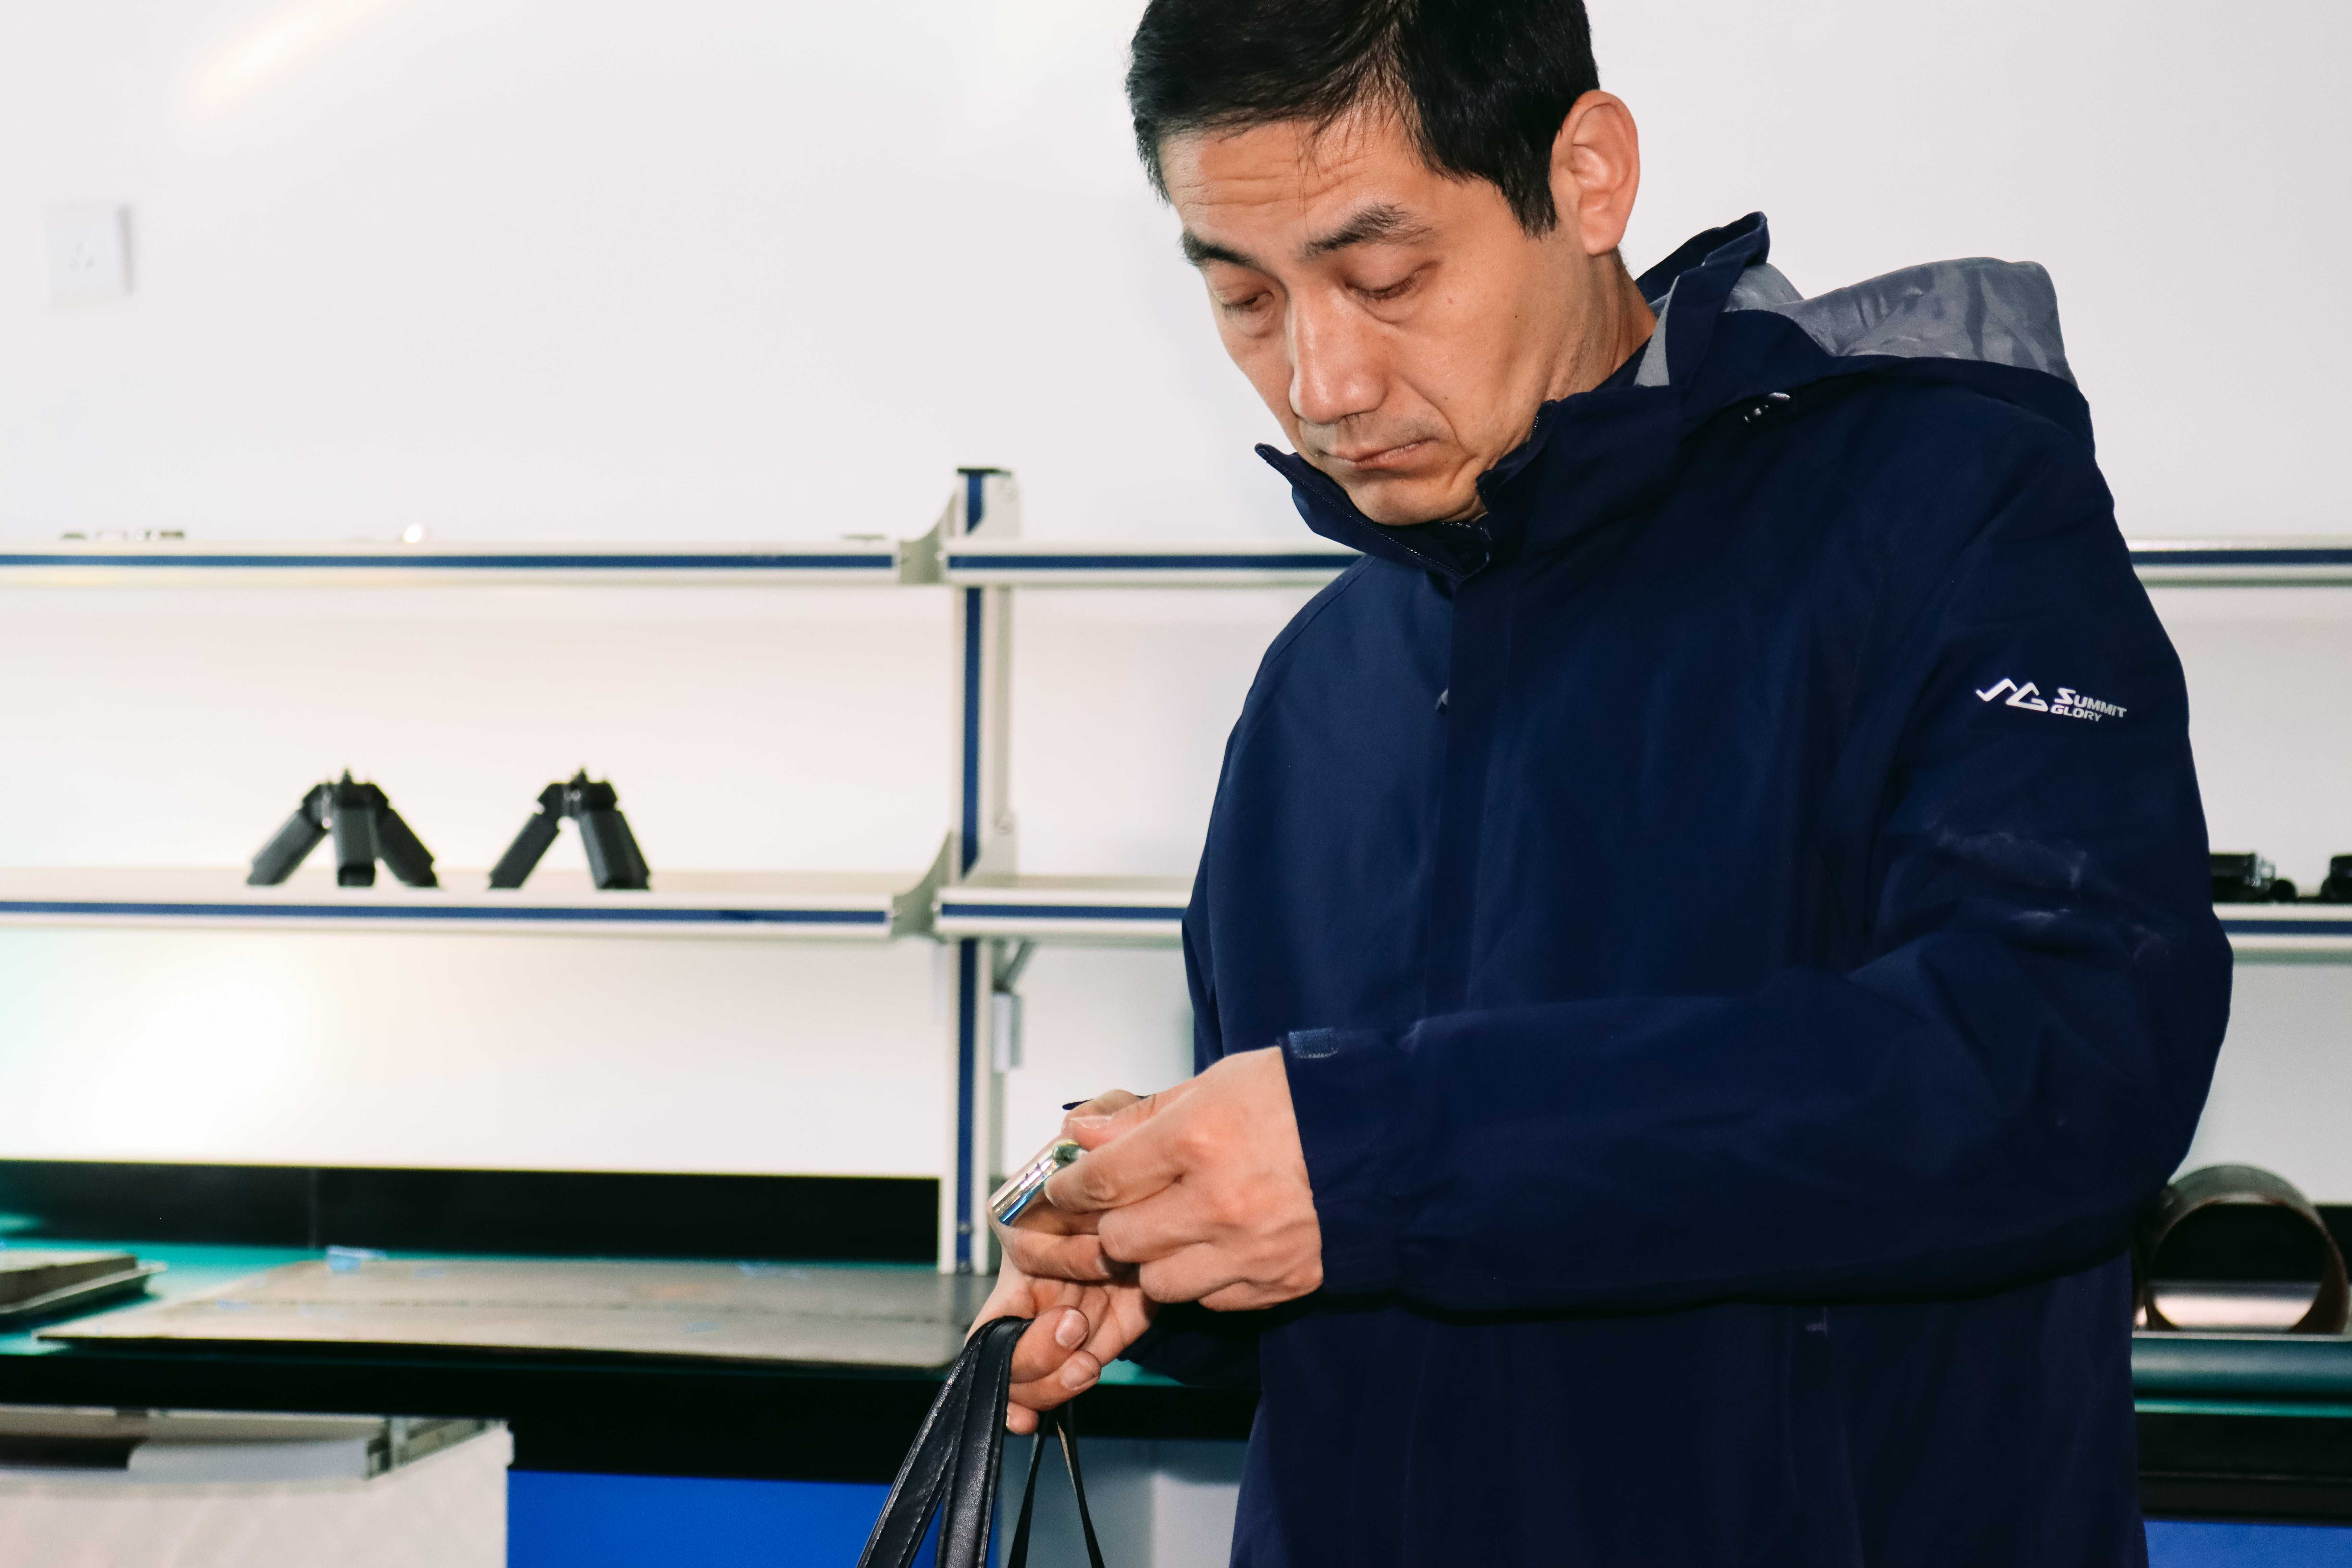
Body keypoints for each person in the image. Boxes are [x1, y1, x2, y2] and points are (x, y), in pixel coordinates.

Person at [973, 0, 2233, 1562]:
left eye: (1385, 278)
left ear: (1587, 175)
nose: (1322, 381)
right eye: (1245, 299)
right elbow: (1356, 1266)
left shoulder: (1943, 514)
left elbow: (2064, 1061)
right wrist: (1158, 1244)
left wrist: (1370, 1151)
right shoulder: (1320, 683)